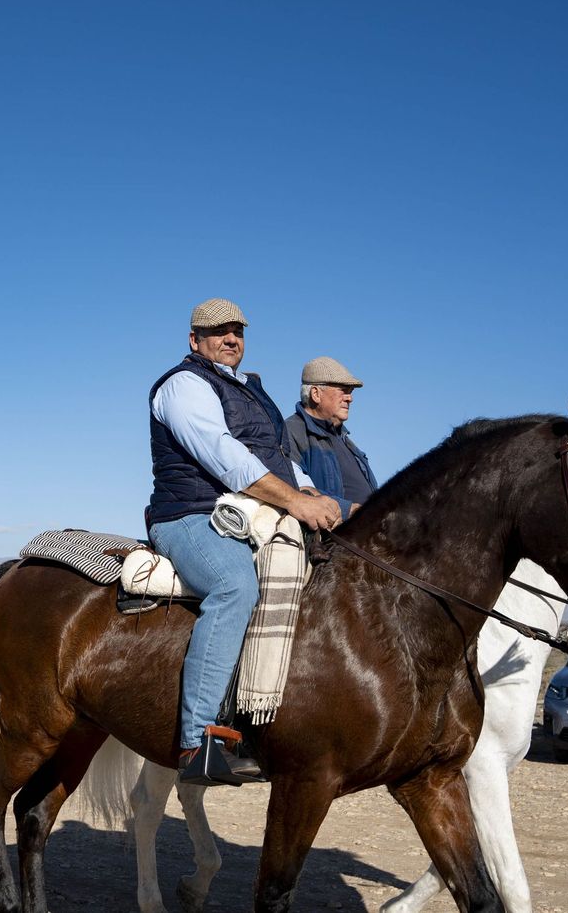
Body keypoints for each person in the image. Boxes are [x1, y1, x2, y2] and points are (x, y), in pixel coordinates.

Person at [146, 298, 344, 782]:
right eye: (218, 332)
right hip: (189, 516)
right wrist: (296, 504)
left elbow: (271, 455)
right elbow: (224, 456)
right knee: (235, 586)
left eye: (238, 331)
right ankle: (197, 744)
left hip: (246, 511)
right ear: (195, 340)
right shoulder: (183, 385)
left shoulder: (251, 390)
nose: (231, 339)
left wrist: (310, 489)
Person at [285, 356, 378, 513]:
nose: (350, 398)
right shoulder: (291, 432)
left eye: (351, 392)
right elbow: (292, 488)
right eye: (343, 391)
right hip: (333, 534)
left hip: (370, 529)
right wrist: (347, 510)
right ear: (316, 394)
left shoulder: (346, 440)